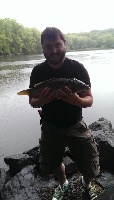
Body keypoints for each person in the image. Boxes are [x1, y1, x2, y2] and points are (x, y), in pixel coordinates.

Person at [29, 27, 100, 200]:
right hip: (50, 125)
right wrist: (42, 101)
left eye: (57, 45)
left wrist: (76, 101)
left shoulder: (78, 69)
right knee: (52, 162)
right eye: (48, 46)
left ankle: (87, 183)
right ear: (43, 48)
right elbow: (32, 101)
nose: (54, 50)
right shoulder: (37, 72)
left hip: (76, 123)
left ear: (64, 44)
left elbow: (89, 99)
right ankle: (63, 183)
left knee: (90, 165)